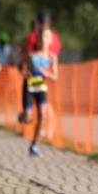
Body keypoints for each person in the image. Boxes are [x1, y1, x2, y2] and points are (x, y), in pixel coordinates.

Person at [18, 11, 61, 123]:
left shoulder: (34, 36)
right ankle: (43, 127)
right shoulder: (54, 36)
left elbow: (26, 53)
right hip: (43, 75)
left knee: (44, 106)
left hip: (42, 75)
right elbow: (56, 52)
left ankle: (42, 127)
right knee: (45, 105)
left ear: (37, 22)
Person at [22, 26, 59, 157]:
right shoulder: (31, 55)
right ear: (37, 39)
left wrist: (47, 73)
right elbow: (23, 69)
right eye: (42, 36)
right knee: (28, 118)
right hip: (29, 87)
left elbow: (55, 76)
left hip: (41, 88)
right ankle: (23, 115)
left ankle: (34, 145)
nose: (44, 39)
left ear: (50, 40)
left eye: (47, 36)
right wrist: (26, 73)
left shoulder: (52, 57)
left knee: (43, 116)